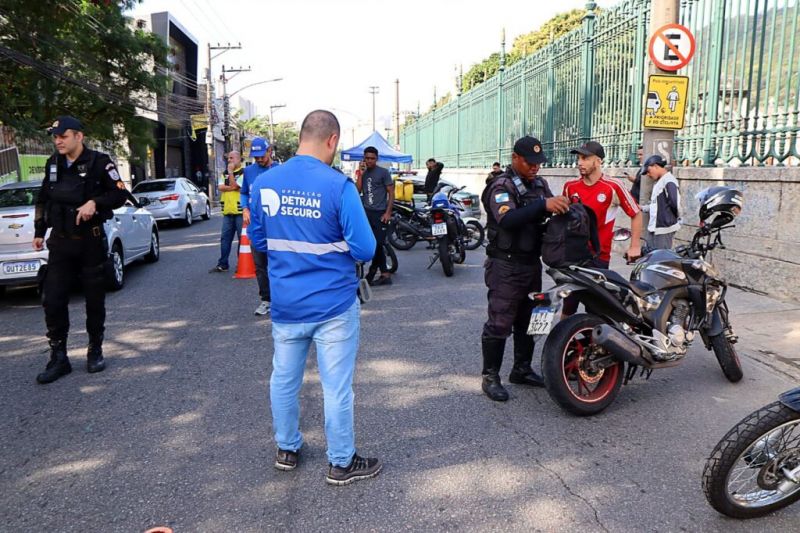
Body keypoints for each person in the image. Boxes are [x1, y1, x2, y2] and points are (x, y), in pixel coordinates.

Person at [248, 110, 381, 486]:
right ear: (332, 140)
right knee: (336, 386)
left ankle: (287, 449)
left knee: (283, 379)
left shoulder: (266, 183)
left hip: (287, 304)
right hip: (334, 306)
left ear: (303, 136)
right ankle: (341, 463)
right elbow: (366, 248)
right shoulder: (338, 186)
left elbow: (259, 241)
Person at [32, 116, 127, 384]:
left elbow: (120, 194)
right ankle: (58, 357)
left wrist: (95, 202)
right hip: (60, 243)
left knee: (94, 300)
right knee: (53, 299)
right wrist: (39, 231)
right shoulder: (54, 163)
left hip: (89, 242)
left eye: (63, 136)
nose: (58, 141)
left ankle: (94, 350)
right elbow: (43, 198)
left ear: (79, 137)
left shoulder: (100, 162)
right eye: (55, 137)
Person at [480, 136, 570, 402]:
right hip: (505, 266)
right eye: (530, 162)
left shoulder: (539, 184)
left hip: (531, 264)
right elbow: (507, 218)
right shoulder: (501, 185)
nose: (535, 167)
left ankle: (521, 369)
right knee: (499, 323)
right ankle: (490, 376)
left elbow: (549, 210)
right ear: (515, 158)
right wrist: (543, 205)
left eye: (538, 163)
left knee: (528, 321)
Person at [561, 141, 643, 315]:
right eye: (578, 158)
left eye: (585, 158)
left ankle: (594, 341)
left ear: (598, 161)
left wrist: (635, 245)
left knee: (597, 310)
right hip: (573, 257)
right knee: (568, 307)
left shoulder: (613, 187)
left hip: (599, 258)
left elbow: (636, 213)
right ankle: (561, 342)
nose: (579, 163)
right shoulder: (570, 187)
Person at [239, 137, 279, 316]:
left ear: (269, 150)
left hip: (277, 227)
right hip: (256, 227)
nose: (259, 160)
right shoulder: (249, 171)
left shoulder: (280, 170)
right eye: (256, 157)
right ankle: (266, 299)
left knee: (280, 263)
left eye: (261, 156)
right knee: (260, 265)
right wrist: (245, 208)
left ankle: (283, 299)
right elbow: (244, 192)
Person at [357, 146, 394, 286]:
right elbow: (358, 191)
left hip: (381, 213)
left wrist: (388, 212)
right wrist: (360, 174)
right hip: (367, 213)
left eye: (372, 158)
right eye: (367, 158)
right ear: (364, 158)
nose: (369, 161)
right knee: (375, 245)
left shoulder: (383, 173)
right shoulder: (364, 173)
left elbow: (391, 193)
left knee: (377, 244)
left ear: (376, 159)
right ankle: (385, 274)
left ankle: (372, 272)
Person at [208, 151, 244, 273]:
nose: (229, 161)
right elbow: (220, 187)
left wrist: (230, 174)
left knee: (242, 239)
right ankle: (223, 264)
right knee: (225, 239)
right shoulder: (224, 173)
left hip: (240, 212)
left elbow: (236, 186)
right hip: (228, 212)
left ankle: (242, 265)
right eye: (228, 158)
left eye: (232, 158)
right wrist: (232, 187)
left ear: (239, 159)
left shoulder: (244, 172)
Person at [641, 154, 681, 250]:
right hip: (656, 227)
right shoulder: (660, 181)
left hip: (664, 228)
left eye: (649, 171)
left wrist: (671, 220)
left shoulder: (668, 181)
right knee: (651, 256)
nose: (648, 174)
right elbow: (657, 205)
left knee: (661, 258)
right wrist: (643, 208)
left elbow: (675, 204)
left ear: (656, 166)